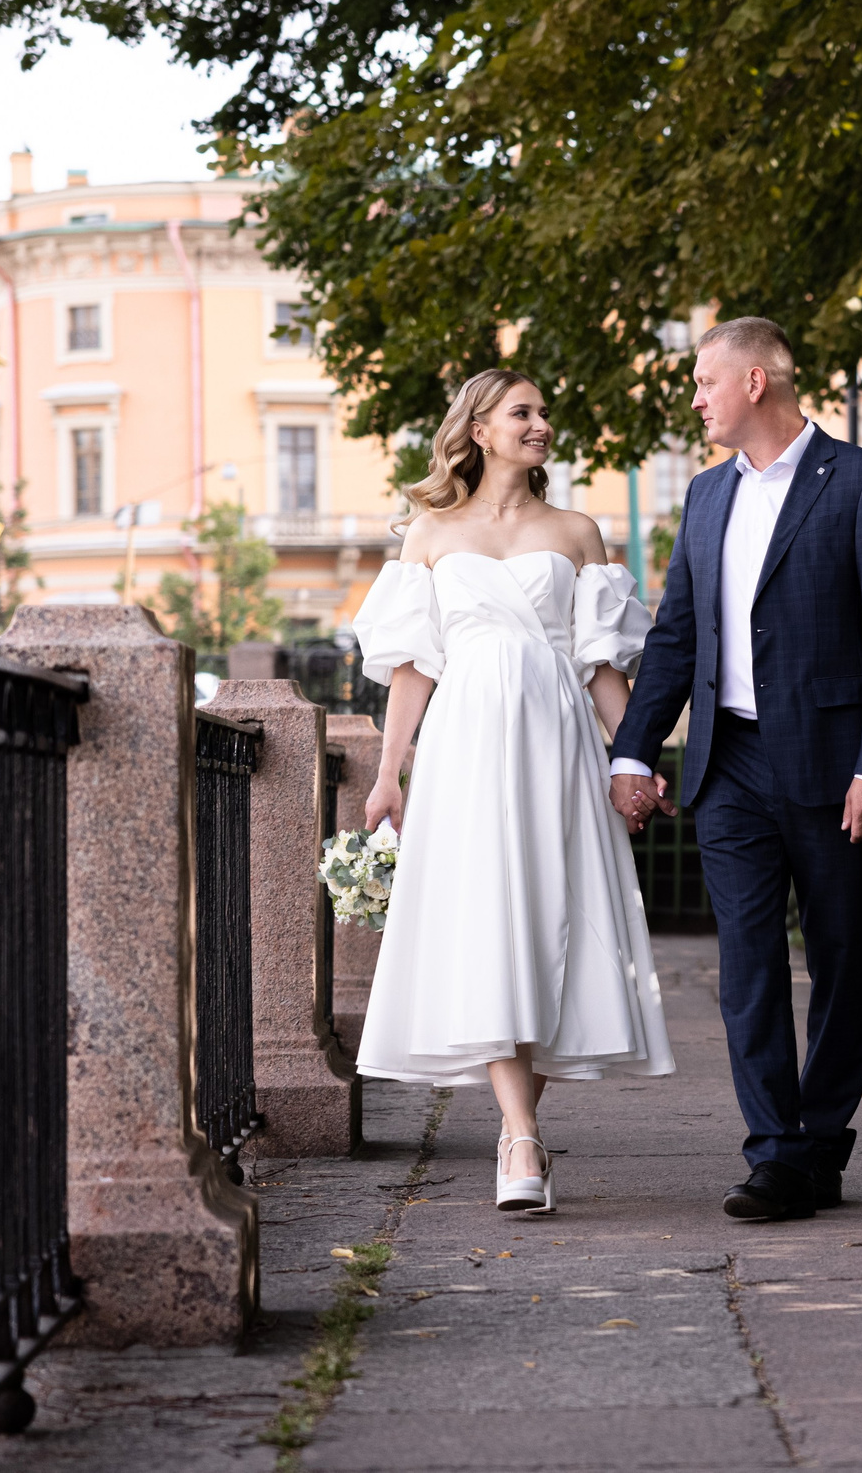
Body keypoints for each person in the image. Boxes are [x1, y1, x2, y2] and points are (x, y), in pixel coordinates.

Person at [610, 317, 862, 1221]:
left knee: (837, 957)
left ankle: (821, 1142)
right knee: (745, 965)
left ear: (754, 381)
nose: (697, 400)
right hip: (730, 765)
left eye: (705, 383)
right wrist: (633, 748)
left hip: (832, 767)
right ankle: (775, 1153)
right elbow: (676, 638)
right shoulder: (707, 498)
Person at [352, 368, 676, 1215]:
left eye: (543, 410)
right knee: (488, 922)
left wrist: (635, 756)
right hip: (465, 746)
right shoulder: (429, 533)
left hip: (557, 743)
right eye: (523, 412)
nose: (540, 424)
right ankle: (519, 1134)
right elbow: (415, 667)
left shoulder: (576, 531)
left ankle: (517, 1128)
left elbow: (602, 666)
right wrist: (390, 772)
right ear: (481, 428)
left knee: (549, 924)